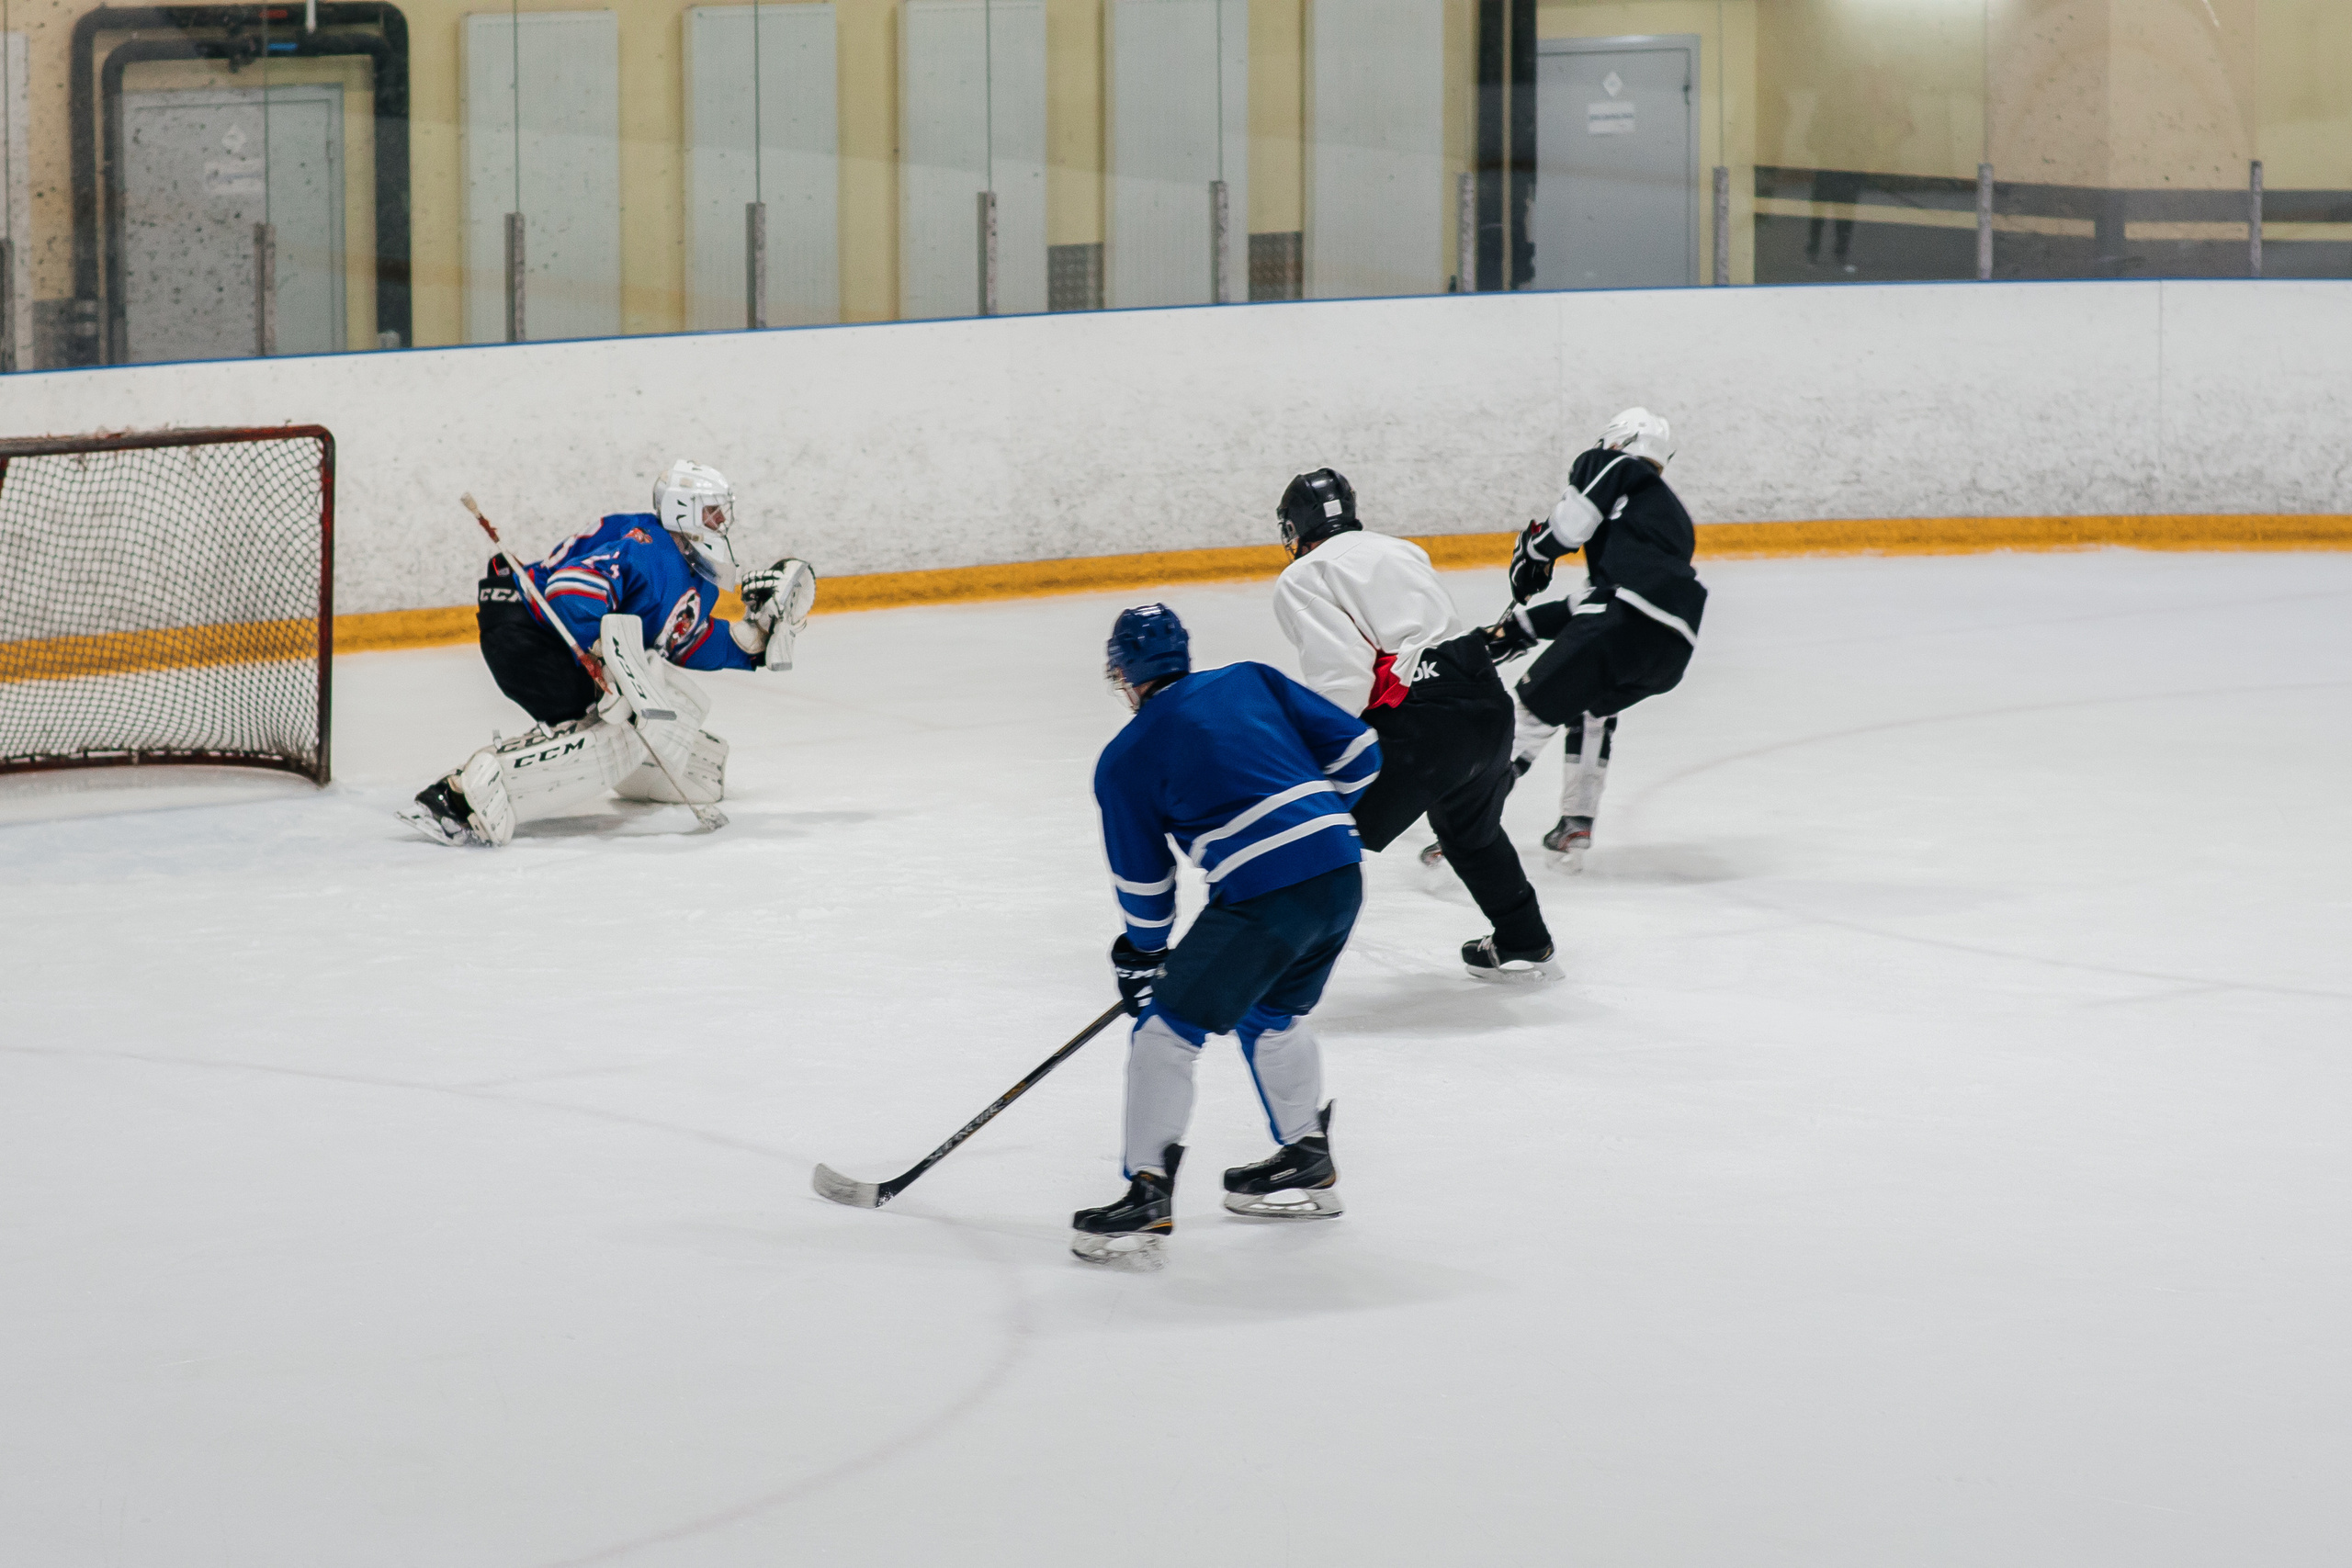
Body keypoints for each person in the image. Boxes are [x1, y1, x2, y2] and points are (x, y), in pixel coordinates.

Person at [1073, 604, 1382, 1269]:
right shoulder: (1250, 678)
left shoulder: (1124, 758)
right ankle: (1306, 1155)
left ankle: (1147, 1192)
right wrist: (1312, 825)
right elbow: (1361, 752)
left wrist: (1143, 955)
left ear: (1124, 674)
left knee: (1163, 1032)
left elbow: (1145, 884)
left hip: (1267, 896)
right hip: (1340, 873)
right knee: (1271, 1012)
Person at [399, 459, 816, 847]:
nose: (721, 521)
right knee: (600, 725)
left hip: (554, 632)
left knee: (637, 706)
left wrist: (751, 643)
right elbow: (569, 591)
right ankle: (456, 798)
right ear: (683, 510)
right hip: (527, 626)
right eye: (711, 511)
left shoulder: (693, 573)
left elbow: (684, 639)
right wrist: (606, 658)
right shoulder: (646, 545)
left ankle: (645, 769)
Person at [1270, 468, 1558, 980]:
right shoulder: (1401, 549)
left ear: (1295, 526)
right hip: (1485, 700)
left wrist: (1312, 756)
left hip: (1422, 722)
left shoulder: (1303, 576)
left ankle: (1252, 959)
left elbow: (1343, 679)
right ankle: (1524, 938)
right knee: (1471, 831)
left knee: (1312, 829)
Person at [1471, 408, 1706, 870]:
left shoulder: (1611, 464)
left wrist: (1534, 552)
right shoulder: (1669, 516)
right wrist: (1522, 627)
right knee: (1591, 709)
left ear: (1617, 441)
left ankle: (1465, 823)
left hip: (1621, 621)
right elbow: (1601, 601)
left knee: (1527, 714)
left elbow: (1569, 529)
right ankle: (1576, 822)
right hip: (1672, 646)